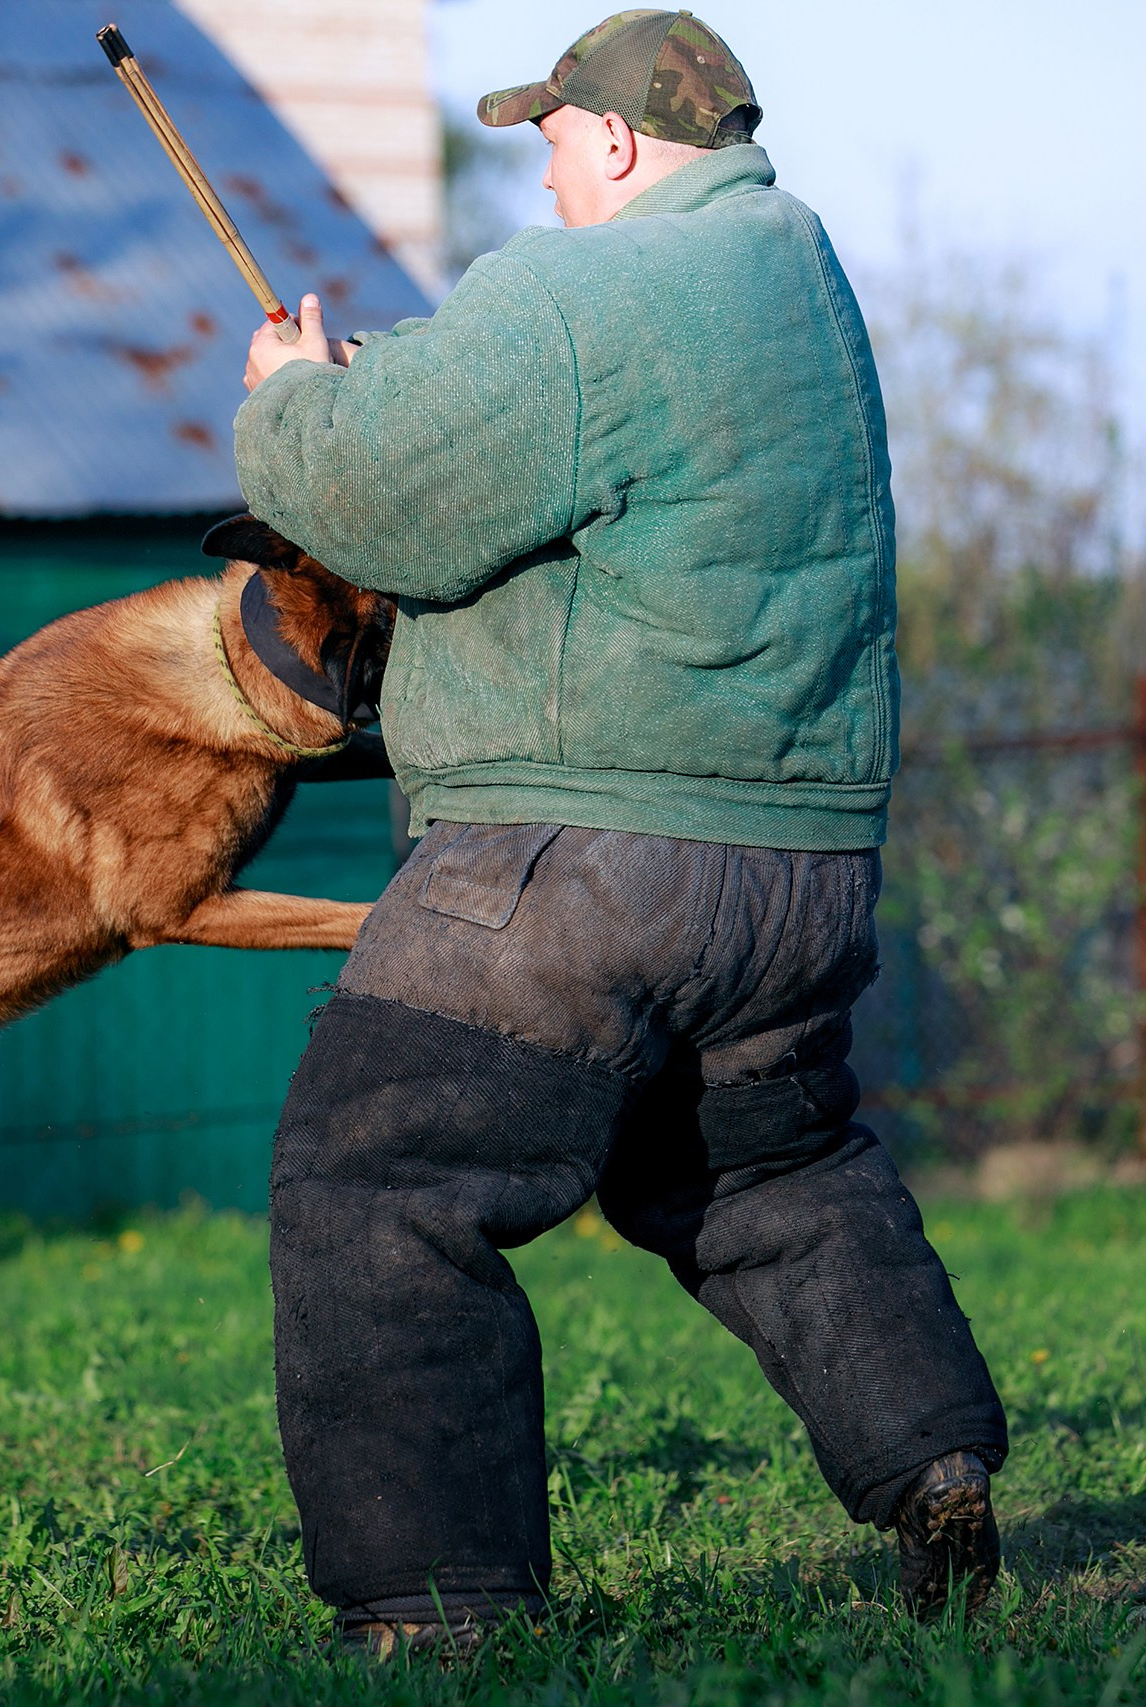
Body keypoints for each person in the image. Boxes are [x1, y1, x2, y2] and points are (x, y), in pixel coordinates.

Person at [231, 8, 1009, 1656]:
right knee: (767, 1172)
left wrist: (298, 406)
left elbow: (381, 506)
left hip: (574, 868)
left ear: (607, 141)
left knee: (377, 1180)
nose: (546, 176)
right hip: (794, 872)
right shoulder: (801, 290)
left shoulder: (583, 286)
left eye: (549, 144)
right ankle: (934, 1467)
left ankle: (442, 1618)